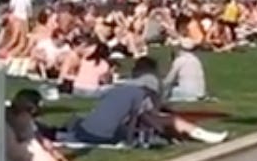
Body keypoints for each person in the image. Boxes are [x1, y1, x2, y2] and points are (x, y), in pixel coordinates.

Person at [69, 57, 227, 147]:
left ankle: (198, 134)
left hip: (85, 132)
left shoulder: (120, 88)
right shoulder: (143, 92)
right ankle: (202, 134)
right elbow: (144, 118)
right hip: (105, 136)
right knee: (170, 120)